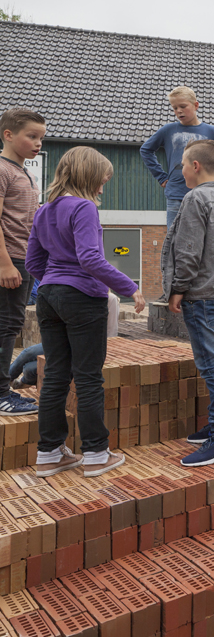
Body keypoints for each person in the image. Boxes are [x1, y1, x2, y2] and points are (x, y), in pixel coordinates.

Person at [26, 146, 146, 477]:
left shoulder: (43, 210)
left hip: (48, 296)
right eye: (102, 181)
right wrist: (130, 288)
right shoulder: (84, 208)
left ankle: (49, 454)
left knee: (55, 376)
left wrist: (55, 282)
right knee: (88, 376)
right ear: (89, 176)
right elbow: (90, 259)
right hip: (82, 297)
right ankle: (96, 454)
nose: (103, 188)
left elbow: (33, 262)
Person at [161, 140, 214, 467]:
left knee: (212, 363)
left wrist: (178, 288)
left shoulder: (194, 199)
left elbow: (188, 250)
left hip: (203, 295)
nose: (180, 170)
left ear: (195, 166)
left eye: (182, 164)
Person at [139, 86, 214, 229]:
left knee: (201, 235)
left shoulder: (210, 131)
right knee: (174, 237)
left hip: (203, 194)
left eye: (182, 106)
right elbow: (146, 150)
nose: (178, 111)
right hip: (176, 194)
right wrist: (161, 176)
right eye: (174, 108)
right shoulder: (168, 130)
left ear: (196, 105)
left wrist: (210, 169)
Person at [0, 107, 45, 415]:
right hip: (10, 259)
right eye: (31, 136)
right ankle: (2, 394)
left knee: (12, 324)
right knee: (5, 326)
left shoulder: (25, 172)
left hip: (24, 259)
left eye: (41, 137)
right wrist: (4, 264)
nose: (38, 143)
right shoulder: (3, 170)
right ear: (8, 134)